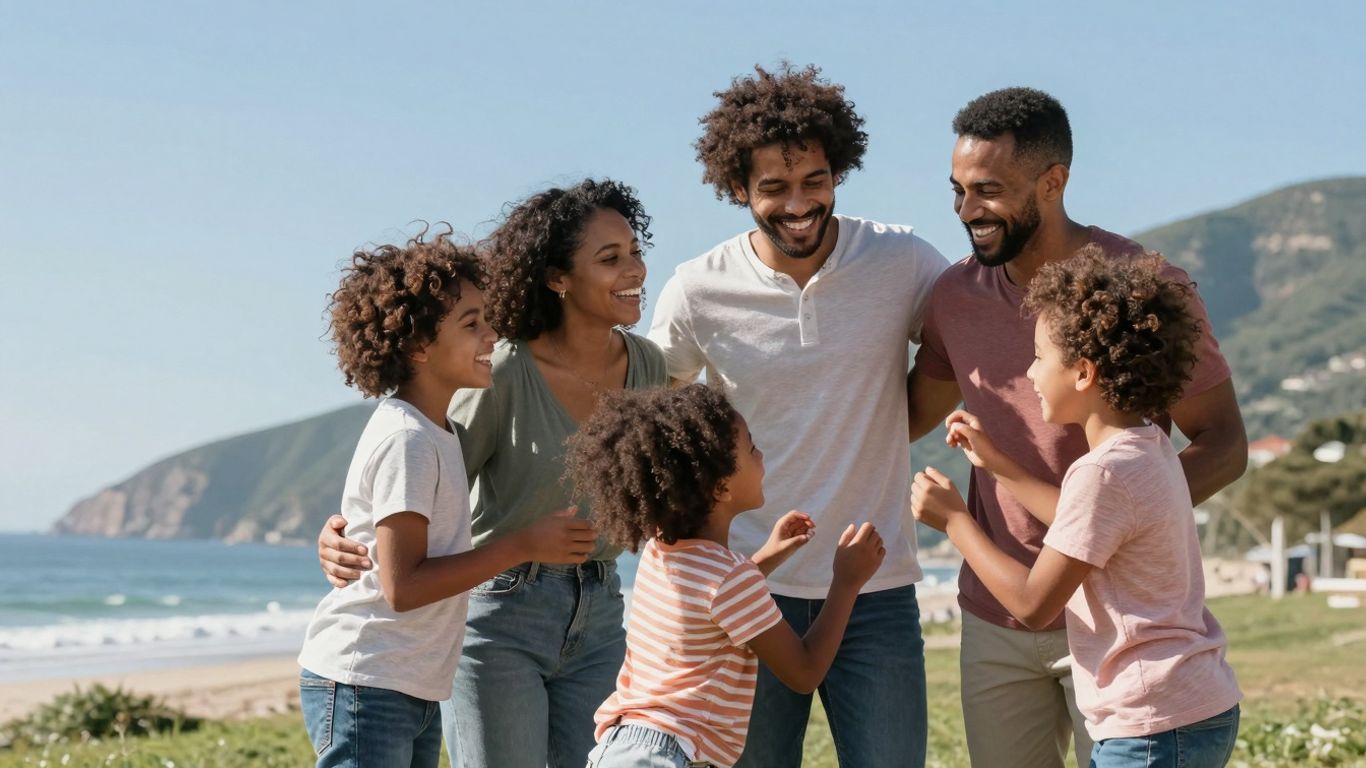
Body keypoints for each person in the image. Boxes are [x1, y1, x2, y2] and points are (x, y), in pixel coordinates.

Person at [905, 87, 1248, 766]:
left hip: (1119, 636)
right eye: (958, 190)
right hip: (994, 617)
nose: (967, 210)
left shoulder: (1141, 292)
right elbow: (902, 413)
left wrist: (1112, 533)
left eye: (989, 190)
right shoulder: (953, 297)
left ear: (1053, 182)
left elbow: (1225, 445)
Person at [649, 64, 949, 768]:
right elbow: (650, 418)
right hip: (750, 584)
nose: (799, 204)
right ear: (737, 190)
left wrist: (894, 427)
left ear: (838, 171)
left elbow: (969, 339)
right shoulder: (698, 290)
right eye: (774, 188)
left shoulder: (900, 259)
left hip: (876, 588)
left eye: (814, 180)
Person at [317, 180, 669, 768]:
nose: (634, 268)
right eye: (610, 258)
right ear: (558, 278)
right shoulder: (502, 369)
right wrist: (339, 536)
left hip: (604, 611)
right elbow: (415, 480)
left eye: (634, 251)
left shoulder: (649, 365)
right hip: (502, 615)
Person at [298, 229, 585, 767]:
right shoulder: (408, 439)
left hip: (411, 683)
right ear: (417, 346)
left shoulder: (439, 431)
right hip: (367, 681)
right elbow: (403, 586)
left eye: (488, 318)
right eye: (472, 324)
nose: (491, 335)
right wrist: (523, 544)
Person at [565, 384, 886, 768]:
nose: (761, 454)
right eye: (751, 448)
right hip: (668, 756)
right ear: (721, 487)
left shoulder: (660, 551)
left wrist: (767, 556)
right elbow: (804, 671)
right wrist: (847, 581)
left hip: (621, 747)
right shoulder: (731, 579)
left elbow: (711, 604)